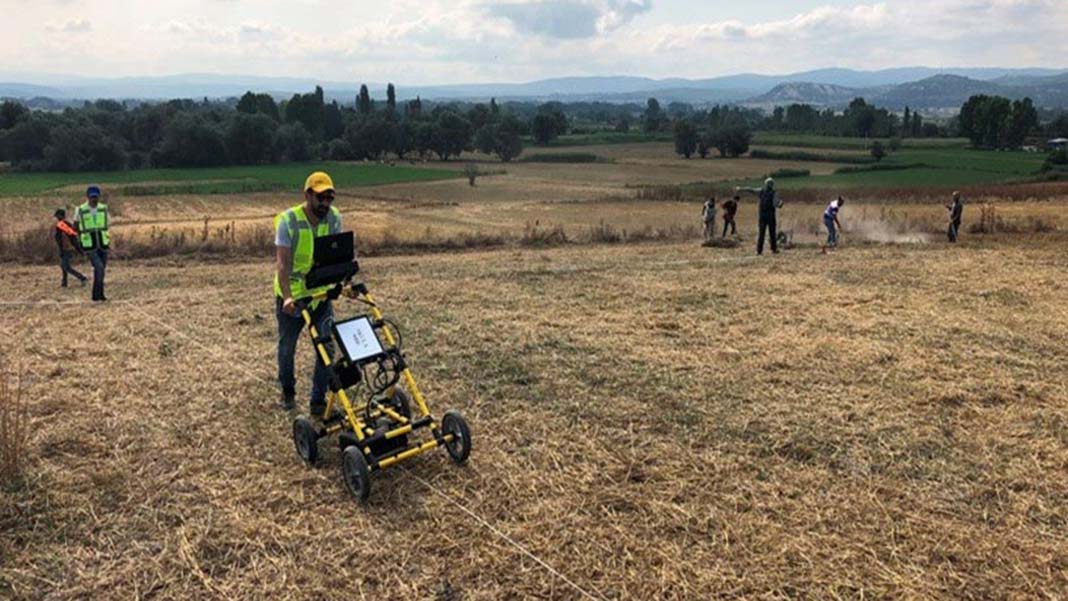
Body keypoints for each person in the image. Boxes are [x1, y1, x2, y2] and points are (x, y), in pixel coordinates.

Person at [275, 171, 343, 413]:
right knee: (287, 348)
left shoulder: (334, 218)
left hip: (320, 295)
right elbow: (282, 264)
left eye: (329, 198)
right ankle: (288, 392)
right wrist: (287, 297)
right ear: (308, 195)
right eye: (320, 198)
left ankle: (318, 400)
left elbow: (338, 255)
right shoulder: (289, 221)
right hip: (293, 296)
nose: (325, 203)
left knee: (327, 347)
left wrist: (342, 282)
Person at [72, 185, 110, 301]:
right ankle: (97, 295)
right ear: (87, 197)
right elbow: (75, 226)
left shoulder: (104, 208)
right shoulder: (80, 209)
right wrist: (80, 238)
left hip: (103, 243)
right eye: (92, 197)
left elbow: (107, 224)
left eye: (96, 197)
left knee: (101, 270)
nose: (94, 199)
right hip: (89, 244)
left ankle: (98, 295)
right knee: (99, 268)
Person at [736, 178, 782, 255]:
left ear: (765, 184)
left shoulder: (761, 191)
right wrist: (780, 204)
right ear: (772, 185)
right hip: (771, 216)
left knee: (761, 233)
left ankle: (759, 251)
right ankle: (774, 249)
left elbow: (750, 190)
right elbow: (776, 204)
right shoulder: (774, 193)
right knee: (772, 233)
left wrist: (740, 189)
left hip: (762, 215)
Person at [54, 209, 88, 288]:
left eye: (57, 216)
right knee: (63, 266)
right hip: (64, 248)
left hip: (67, 249)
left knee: (66, 267)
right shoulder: (65, 224)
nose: (57, 218)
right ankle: (64, 283)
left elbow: (72, 239)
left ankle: (82, 278)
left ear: (61, 216)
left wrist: (79, 250)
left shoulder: (63, 225)